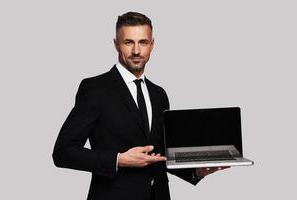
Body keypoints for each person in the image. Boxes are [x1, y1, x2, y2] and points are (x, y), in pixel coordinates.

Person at [52, 11, 227, 200]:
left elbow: (159, 155)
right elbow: (63, 152)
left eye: (143, 42)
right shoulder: (95, 89)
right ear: (116, 44)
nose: (136, 51)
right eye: (129, 42)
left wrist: (196, 172)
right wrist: (118, 160)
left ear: (152, 45)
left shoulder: (159, 94)